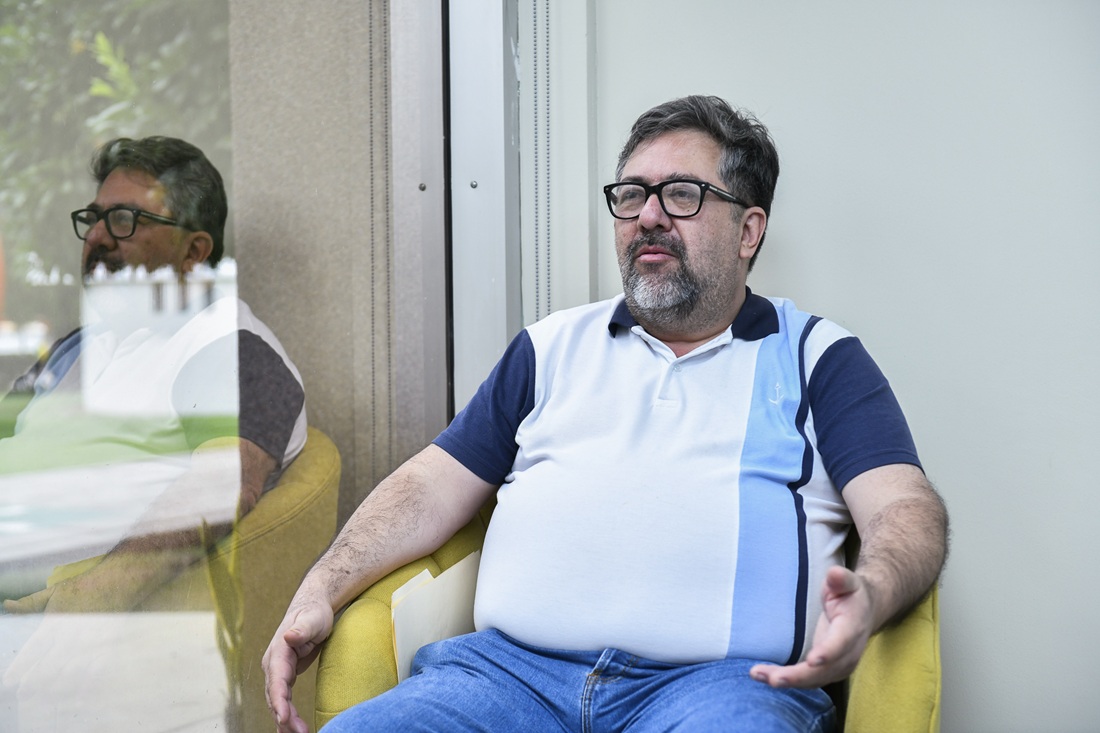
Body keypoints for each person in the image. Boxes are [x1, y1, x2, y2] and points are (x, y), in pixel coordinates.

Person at [263, 95, 948, 733]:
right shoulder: (550, 347)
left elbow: (904, 508)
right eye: (631, 195)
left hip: (720, 689)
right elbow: (429, 486)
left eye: (682, 194)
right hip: (504, 679)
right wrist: (322, 584)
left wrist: (872, 591)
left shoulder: (818, 358)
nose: (648, 215)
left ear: (749, 230)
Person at [0, 136, 307, 613]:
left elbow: (225, 483)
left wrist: (89, 600)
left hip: (37, 604)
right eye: (94, 218)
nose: (97, 237)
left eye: (123, 220)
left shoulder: (227, 347)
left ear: (194, 251)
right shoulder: (79, 345)